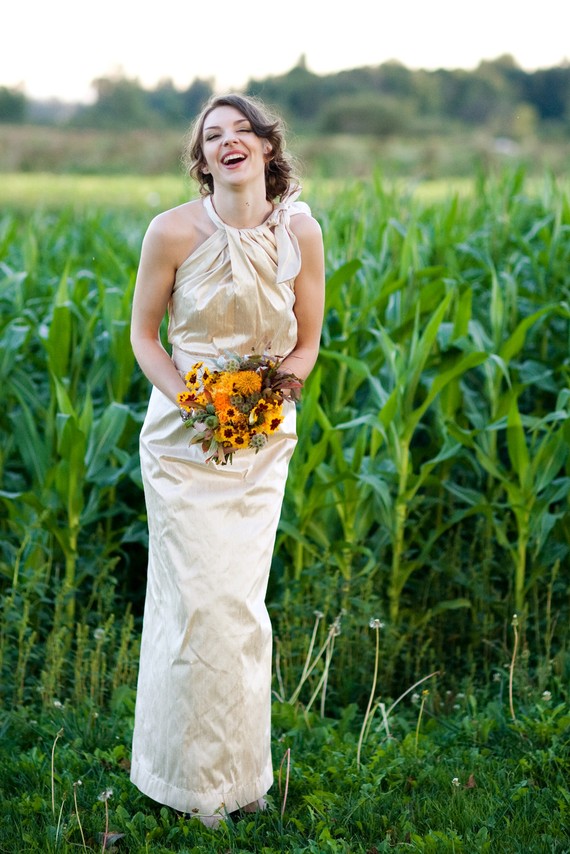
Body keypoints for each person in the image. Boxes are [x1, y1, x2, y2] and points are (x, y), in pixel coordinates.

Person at [129, 93, 325, 827]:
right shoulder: (172, 231)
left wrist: (277, 394)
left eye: (242, 129)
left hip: (264, 439)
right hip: (185, 443)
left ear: (268, 148)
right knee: (194, 605)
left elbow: (305, 341)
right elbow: (144, 337)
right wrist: (194, 403)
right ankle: (184, 784)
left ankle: (243, 782)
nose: (228, 141)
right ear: (202, 157)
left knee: (241, 612)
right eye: (213, 135)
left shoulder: (301, 231)